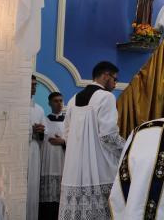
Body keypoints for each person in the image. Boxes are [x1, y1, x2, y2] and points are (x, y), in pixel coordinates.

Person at [59, 62, 125, 220]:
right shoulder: (106, 97)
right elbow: (108, 136)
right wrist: (126, 148)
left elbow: (66, 134)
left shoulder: (73, 100)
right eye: (114, 79)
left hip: (74, 171)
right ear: (105, 75)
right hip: (99, 169)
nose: (115, 84)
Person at [39, 92, 66, 220]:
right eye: (56, 101)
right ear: (49, 103)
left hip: (63, 164)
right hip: (48, 164)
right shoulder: (43, 120)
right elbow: (39, 141)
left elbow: (77, 142)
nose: (59, 103)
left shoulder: (68, 121)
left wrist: (64, 141)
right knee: (48, 206)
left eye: (61, 101)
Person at [27, 75, 45, 220]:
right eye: (31, 84)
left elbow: (42, 136)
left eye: (35, 85)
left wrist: (40, 132)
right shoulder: (16, 108)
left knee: (32, 187)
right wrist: (30, 131)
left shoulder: (39, 109)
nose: (34, 88)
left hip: (34, 150)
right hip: (20, 151)